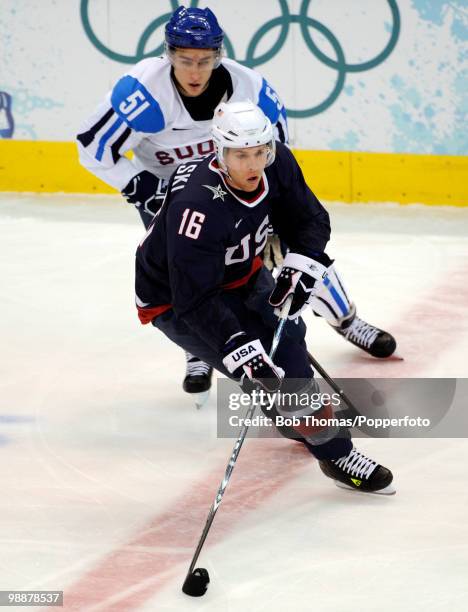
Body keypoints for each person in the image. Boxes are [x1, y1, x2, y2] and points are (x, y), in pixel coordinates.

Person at [77, 6, 396, 406]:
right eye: (184, 61)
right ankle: (199, 351)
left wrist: (277, 219)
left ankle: (347, 319)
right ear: (168, 55)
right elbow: (92, 147)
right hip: (177, 201)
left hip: (241, 189)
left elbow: (275, 154)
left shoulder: (251, 91)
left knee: (297, 258)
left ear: (219, 55)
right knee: (190, 278)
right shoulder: (142, 92)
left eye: (205, 61)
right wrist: (140, 185)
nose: (194, 72)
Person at [134, 100, 395, 494]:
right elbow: (194, 298)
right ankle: (318, 437)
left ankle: (326, 445)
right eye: (241, 155)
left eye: (260, 151)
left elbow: (310, 218)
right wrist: (238, 345)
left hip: (242, 273)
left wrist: (302, 262)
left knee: (289, 348)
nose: (253, 164)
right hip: (176, 300)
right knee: (267, 373)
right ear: (219, 154)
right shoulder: (197, 207)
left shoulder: (277, 162)